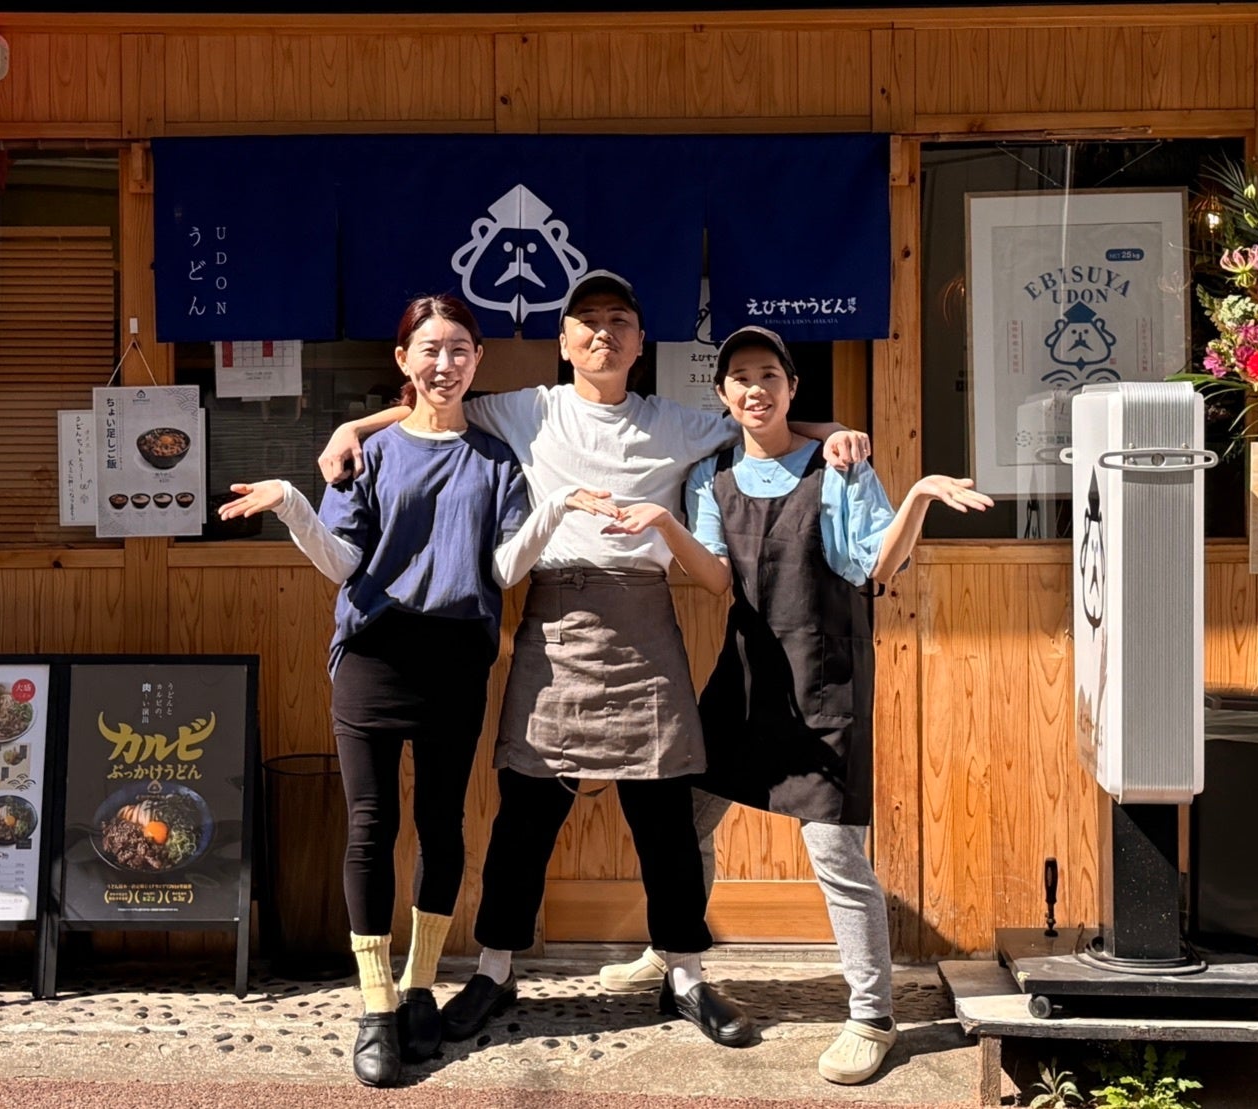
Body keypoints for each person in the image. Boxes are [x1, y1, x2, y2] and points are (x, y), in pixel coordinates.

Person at [316, 272, 872, 1050]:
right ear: (564, 341)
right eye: (586, 321)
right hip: (553, 622)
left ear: (641, 343)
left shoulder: (675, 422)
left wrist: (831, 430)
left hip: (644, 620)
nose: (602, 332)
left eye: (618, 320)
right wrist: (354, 427)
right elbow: (435, 404)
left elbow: (757, 417)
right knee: (524, 811)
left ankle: (685, 973)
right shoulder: (527, 409)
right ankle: (495, 969)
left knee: (664, 814)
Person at [220, 295, 603, 1087]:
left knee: (440, 823)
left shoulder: (495, 460)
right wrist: (292, 504)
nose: (444, 363)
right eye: (429, 349)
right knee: (370, 825)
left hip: (456, 657)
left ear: (477, 359)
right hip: (373, 655)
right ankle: (375, 1004)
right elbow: (342, 564)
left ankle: (421, 986)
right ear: (403, 360)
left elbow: (500, 570)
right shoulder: (371, 454)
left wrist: (556, 509)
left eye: (459, 348)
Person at [598, 325, 992, 1084]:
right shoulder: (711, 475)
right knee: (684, 822)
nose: (756, 388)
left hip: (823, 682)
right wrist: (667, 524)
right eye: (741, 377)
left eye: (769, 375)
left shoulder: (838, 465)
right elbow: (717, 580)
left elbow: (873, 568)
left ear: (791, 387)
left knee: (836, 856)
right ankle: (673, 943)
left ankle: (872, 1016)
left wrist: (914, 497)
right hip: (746, 682)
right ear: (722, 395)